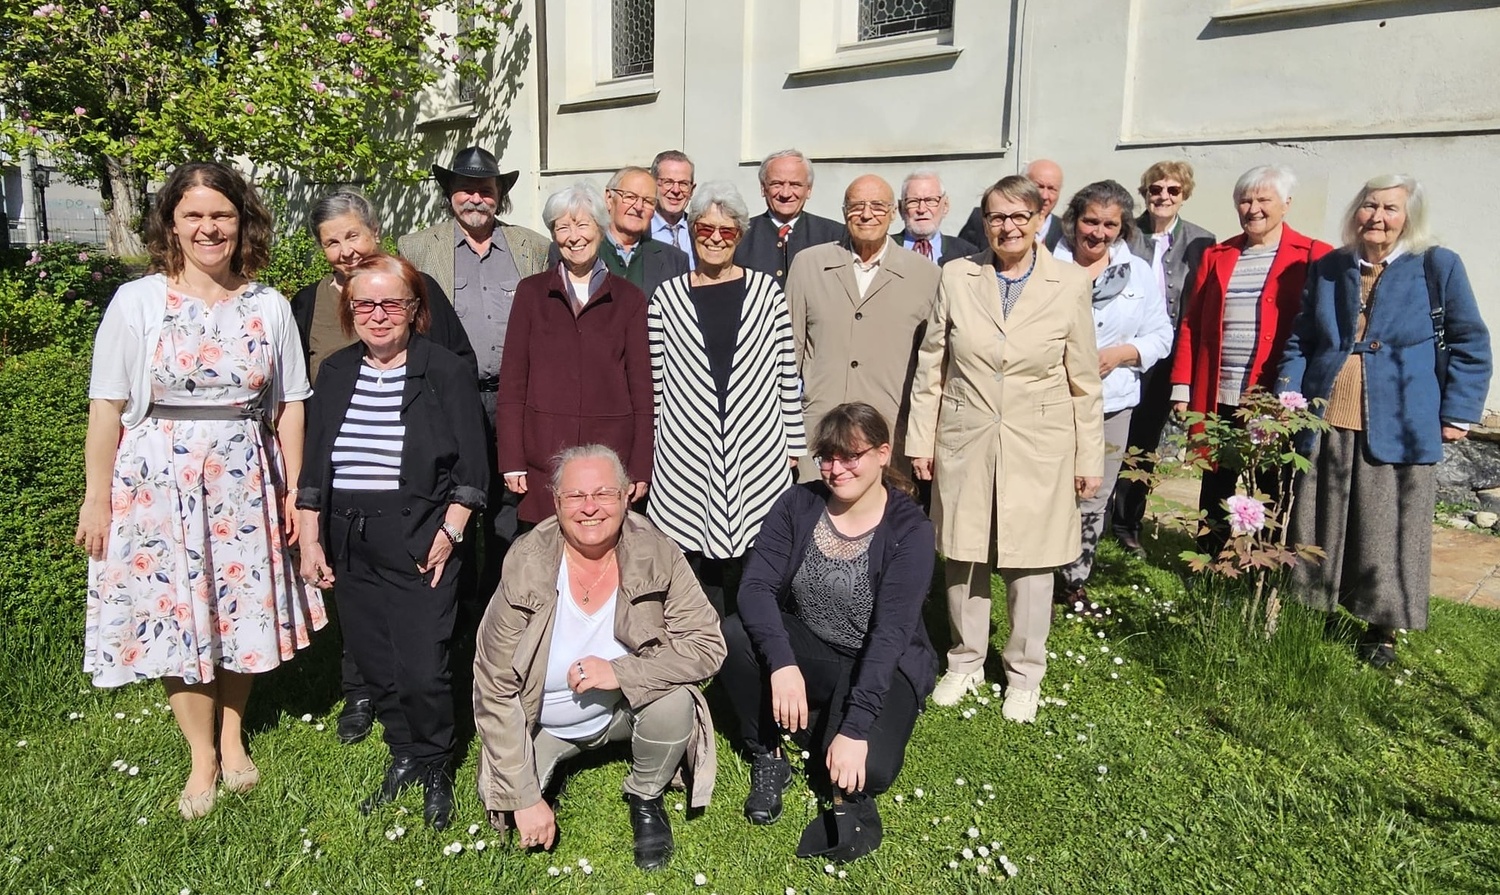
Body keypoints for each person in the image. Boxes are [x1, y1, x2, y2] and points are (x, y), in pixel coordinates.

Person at [77, 161, 325, 820]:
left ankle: (233, 735)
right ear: (172, 223)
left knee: (240, 608)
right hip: (157, 483)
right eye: (194, 215)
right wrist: (95, 497)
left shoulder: (268, 305)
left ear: (242, 222)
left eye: (222, 215)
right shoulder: (137, 301)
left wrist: (296, 490)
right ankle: (201, 755)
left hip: (245, 478)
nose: (208, 228)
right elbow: (106, 406)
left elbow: (290, 406)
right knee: (174, 613)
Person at [296, 254, 488, 831]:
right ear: (349, 311)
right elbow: (315, 465)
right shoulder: (335, 372)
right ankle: (403, 750)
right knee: (375, 659)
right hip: (350, 537)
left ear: (414, 309)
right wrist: (311, 538)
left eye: (391, 303)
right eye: (364, 305)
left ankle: (436, 760)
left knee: (423, 666)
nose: (377, 315)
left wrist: (450, 532)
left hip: (420, 534)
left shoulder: (444, 370)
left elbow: (473, 469)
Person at [472, 444, 727, 871]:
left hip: (621, 708)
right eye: (575, 496)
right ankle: (542, 772)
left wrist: (622, 673)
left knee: (676, 701)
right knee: (510, 801)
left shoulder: (657, 551)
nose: (590, 507)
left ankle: (646, 794)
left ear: (627, 496)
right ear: (556, 502)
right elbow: (493, 686)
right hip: (542, 721)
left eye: (604, 493)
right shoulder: (526, 564)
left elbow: (707, 644)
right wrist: (525, 797)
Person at [906, 175, 1103, 721]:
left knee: (1031, 560)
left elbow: (1084, 381)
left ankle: (1024, 672)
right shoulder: (958, 275)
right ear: (984, 222)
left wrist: (1089, 457)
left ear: (1040, 219)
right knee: (964, 551)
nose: (1008, 226)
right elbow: (932, 365)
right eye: (997, 216)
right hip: (965, 436)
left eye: (1019, 216)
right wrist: (921, 440)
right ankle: (965, 660)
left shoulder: (1069, 283)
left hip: (1039, 441)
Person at [1278, 175, 1491, 666]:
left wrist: (1459, 411)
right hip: (1327, 413)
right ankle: (1313, 606)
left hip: (1402, 417)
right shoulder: (1330, 267)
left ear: (1409, 217)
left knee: (1387, 526)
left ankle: (1382, 627)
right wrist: (1287, 398)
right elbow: (1302, 339)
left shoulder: (1437, 265)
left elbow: (1470, 342)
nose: (1377, 217)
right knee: (1320, 516)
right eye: (1369, 206)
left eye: (1390, 208)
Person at [720, 403, 936, 862]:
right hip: (813, 646)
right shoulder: (799, 504)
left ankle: (825, 727)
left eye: (850, 456)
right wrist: (782, 665)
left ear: (882, 454)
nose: (836, 470)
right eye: (827, 458)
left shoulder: (910, 530)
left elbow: (890, 635)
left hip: (881, 662)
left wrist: (855, 729)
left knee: (868, 772)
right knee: (736, 635)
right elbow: (755, 587)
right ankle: (769, 753)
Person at [398, 147, 549, 615]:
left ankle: (502, 600)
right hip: (450, 399)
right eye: (465, 189)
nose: (476, 198)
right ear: (449, 194)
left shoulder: (532, 247)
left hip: (514, 396)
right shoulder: (417, 248)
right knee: (454, 494)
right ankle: (456, 603)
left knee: (511, 496)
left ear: (499, 195)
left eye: (485, 189)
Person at [648, 181, 807, 613]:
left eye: (727, 230)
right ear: (692, 231)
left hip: (758, 445)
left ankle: (756, 634)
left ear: (740, 234)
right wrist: (657, 445)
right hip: (686, 447)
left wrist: (794, 445)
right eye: (705, 229)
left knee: (761, 558)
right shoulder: (666, 299)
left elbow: (786, 372)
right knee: (695, 564)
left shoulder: (767, 294)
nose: (715, 238)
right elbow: (657, 381)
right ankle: (702, 637)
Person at [1170, 164, 1333, 554]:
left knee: (1270, 480)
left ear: (1286, 204)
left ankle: (1264, 561)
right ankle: (1209, 560)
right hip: (1219, 391)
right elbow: (1192, 323)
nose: (1253, 208)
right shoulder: (1218, 255)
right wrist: (1182, 386)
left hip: (1274, 395)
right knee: (1216, 478)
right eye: (1245, 200)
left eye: (1264, 199)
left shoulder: (1314, 256)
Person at [498, 182, 653, 526]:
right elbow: (512, 383)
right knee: (544, 549)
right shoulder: (531, 294)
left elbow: (643, 391)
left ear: (600, 229)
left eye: (582, 225)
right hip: (544, 456)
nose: (574, 237)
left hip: (610, 457)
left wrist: (641, 465)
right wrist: (511, 459)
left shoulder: (629, 299)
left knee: (604, 546)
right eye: (562, 227)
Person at [1050, 181, 1173, 605]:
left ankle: (1073, 578)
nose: (1098, 233)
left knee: (1094, 490)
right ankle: (1033, 571)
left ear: (1122, 229)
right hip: (1053, 398)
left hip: (1113, 401)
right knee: (1048, 487)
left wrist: (1123, 353)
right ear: (1073, 221)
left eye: (1110, 225)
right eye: (1090, 221)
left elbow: (1161, 334)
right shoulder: (1047, 266)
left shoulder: (1137, 272)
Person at [785, 174, 940, 479]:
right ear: (844, 212)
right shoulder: (808, 265)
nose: (867, 214)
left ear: (894, 212)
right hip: (819, 434)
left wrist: (922, 440)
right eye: (857, 206)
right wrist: (788, 434)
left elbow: (932, 368)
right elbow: (788, 357)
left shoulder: (926, 276)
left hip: (888, 437)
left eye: (878, 206)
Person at [1110, 161, 1216, 558]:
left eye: (1173, 190)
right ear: (1145, 193)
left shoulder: (1201, 240)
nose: (1163, 197)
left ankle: (1127, 522)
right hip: (1122, 350)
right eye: (1156, 189)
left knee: (1145, 441)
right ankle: (1095, 515)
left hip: (1169, 355)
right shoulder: (1126, 233)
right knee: (1111, 434)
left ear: (1184, 195)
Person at [292, 189, 474, 384]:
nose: (346, 252)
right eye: (332, 243)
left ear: (375, 232)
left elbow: (460, 365)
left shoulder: (419, 287)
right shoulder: (308, 304)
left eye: (353, 236)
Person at [548, 166, 690, 301]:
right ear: (609, 198)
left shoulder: (675, 261)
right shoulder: (572, 249)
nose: (638, 207)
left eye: (648, 201)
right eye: (630, 197)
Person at [734, 149, 846, 287]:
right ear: (763, 188)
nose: (785, 194)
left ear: (809, 190)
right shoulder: (740, 235)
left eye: (795, 185)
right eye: (777, 184)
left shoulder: (835, 236)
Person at [958, 159, 1065, 252]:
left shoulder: (1065, 231)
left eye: (1052, 189)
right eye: (1039, 186)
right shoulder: (982, 219)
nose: (1044, 196)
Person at [894, 169, 978, 265]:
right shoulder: (884, 249)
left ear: (945, 206)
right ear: (901, 208)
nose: (922, 209)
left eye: (931, 200)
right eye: (913, 201)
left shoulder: (968, 254)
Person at [651, 150, 697, 267]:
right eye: (668, 182)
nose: (676, 190)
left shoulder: (699, 230)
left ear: (692, 190)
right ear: (652, 185)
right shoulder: (639, 232)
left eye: (683, 184)